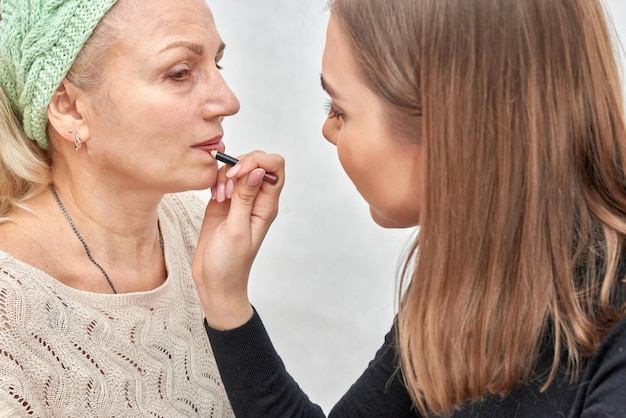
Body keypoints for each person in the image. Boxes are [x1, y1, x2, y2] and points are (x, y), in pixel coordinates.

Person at [196, 0, 626, 416]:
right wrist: (224, 296)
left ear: (448, 127)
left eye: (339, 109)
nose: (328, 130)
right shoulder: (474, 272)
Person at [0, 0, 284, 416]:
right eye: (180, 73)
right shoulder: (10, 311)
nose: (228, 101)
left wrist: (227, 296)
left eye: (217, 65)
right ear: (69, 108)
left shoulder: (194, 226)